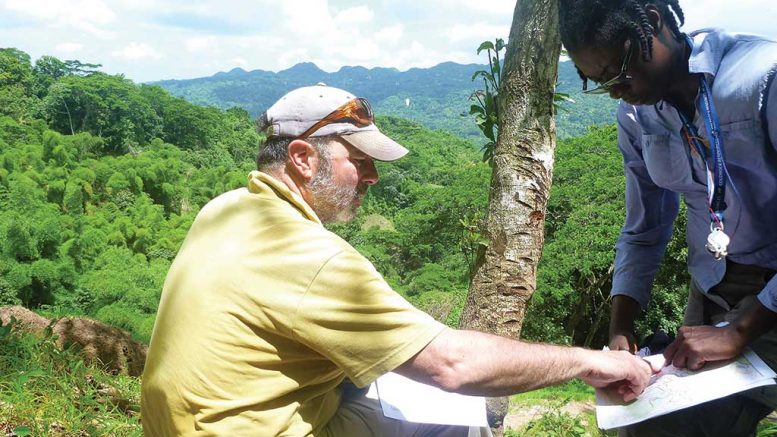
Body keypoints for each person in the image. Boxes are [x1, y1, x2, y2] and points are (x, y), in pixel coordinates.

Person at [140, 84, 654, 436]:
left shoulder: (226, 208)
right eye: (359, 162)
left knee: (380, 377)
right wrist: (592, 360)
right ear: (302, 157)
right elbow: (453, 364)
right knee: (458, 415)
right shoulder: (312, 258)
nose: (372, 178)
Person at [559, 0, 777, 436]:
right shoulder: (637, 116)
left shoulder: (763, 78)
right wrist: (621, 329)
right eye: (599, 82)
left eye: (618, 73)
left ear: (654, 22)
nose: (616, 91)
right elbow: (644, 228)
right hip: (712, 288)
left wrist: (741, 330)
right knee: (656, 422)